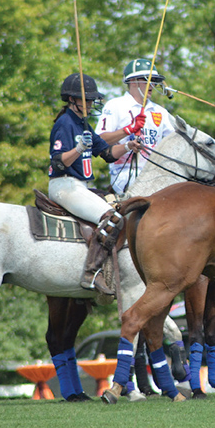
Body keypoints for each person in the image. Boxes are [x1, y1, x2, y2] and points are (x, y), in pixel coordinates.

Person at [49, 73, 142, 295]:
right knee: (113, 218)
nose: (91, 103)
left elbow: (108, 153)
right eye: (87, 99)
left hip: (81, 186)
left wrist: (128, 146)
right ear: (73, 100)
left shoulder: (83, 124)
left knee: (122, 209)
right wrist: (79, 149)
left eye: (92, 99)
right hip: (64, 185)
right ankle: (91, 273)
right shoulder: (64, 123)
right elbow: (59, 161)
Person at [95, 58, 175, 195]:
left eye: (154, 80)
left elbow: (175, 140)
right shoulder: (116, 105)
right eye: (147, 79)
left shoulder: (160, 111)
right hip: (125, 173)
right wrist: (128, 129)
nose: (152, 84)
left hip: (156, 173)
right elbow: (100, 140)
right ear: (133, 81)